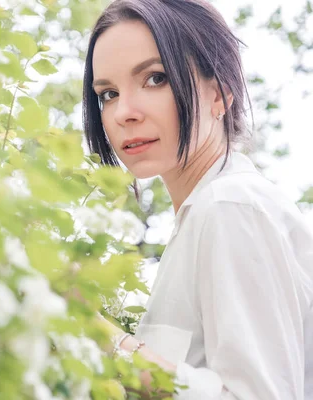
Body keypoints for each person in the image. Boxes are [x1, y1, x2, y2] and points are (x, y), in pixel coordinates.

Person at [82, 0, 313, 398]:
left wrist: (100, 336)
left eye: (155, 78)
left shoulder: (231, 208)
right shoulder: (202, 216)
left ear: (220, 94)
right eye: (108, 93)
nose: (124, 112)